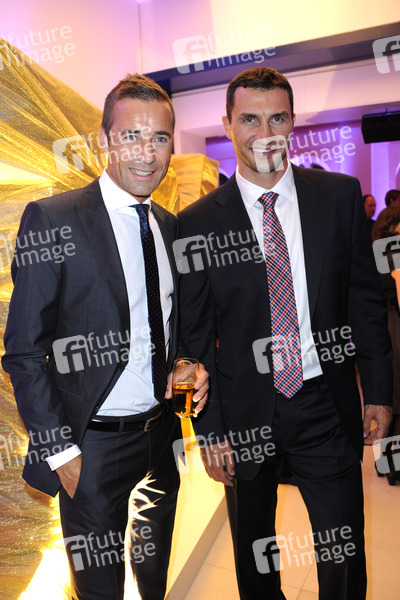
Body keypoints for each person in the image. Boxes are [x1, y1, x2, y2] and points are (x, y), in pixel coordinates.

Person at [176, 67, 392, 600]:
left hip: (325, 404)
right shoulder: (198, 222)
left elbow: (364, 301)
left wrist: (379, 391)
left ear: (293, 122)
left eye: (277, 118)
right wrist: (210, 431)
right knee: (255, 555)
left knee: (342, 549)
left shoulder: (338, 197)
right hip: (243, 412)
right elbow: (196, 335)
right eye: (250, 119)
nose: (265, 132)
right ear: (228, 124)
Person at [2, 73, 208, 600]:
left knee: (153, 581)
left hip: (161, 439)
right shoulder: (54, 219)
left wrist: (185, 363)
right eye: (131, 136)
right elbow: (23, 351)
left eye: (160, 137)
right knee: (99, 592)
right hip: (91, 448)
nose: (147, 153)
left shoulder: (169, 226)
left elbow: (167, 323)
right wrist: (61, 454)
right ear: (103, 139)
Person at [372, 207, 400, 485]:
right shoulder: (393, 247)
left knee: (388, 396)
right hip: (395, 324)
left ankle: (385, 463)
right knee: (396, 399)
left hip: (382, 326)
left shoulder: (378, 247)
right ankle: (394, 467)